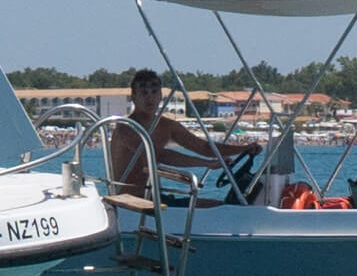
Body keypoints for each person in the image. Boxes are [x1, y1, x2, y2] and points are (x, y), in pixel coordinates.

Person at [111, 69, 260, 205]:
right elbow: (157, 154)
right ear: (134, 97)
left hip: (156, 197)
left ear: (160, 96)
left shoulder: (167, 126)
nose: (150, 97)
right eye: (144, 92)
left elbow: (204, 147)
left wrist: (244, 148)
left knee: (222, 207)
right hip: (130, 201)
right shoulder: (126, 127)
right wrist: (207, 163)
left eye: (154, 92)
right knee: (221, 208)